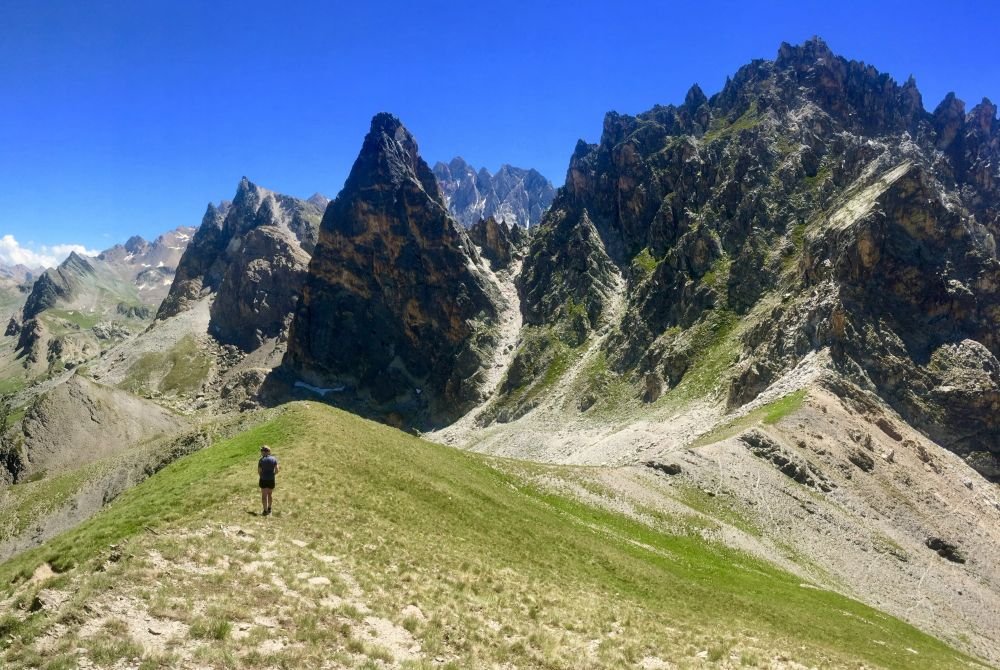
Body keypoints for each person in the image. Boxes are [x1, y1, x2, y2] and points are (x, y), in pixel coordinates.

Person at [258, 445, 279, 515]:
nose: (261, 452)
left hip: (263, 480)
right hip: (271, 480)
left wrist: (262, 476)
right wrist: (272, 475)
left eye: (261, 451)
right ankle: (269, 508)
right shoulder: (274, 459)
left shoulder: (261, 460)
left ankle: (265, 510)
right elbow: (277, 470)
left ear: (264, 452)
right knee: (270, 494)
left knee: (264, 495)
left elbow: (259, 471)